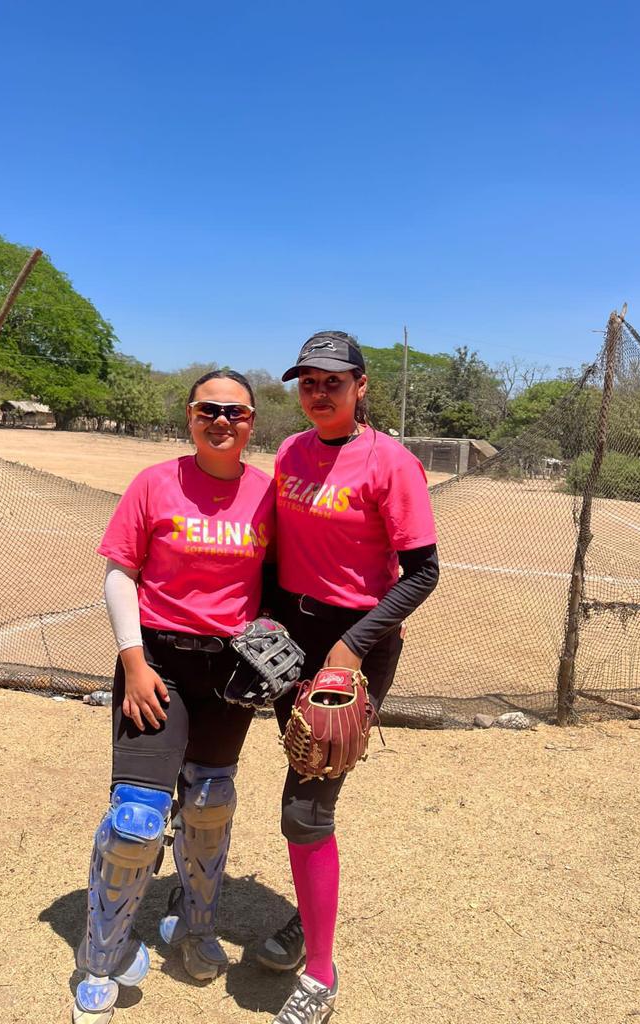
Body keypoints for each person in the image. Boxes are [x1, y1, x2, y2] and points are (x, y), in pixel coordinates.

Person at [73, 370, 274, 1024]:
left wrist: (287, 659)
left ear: (252, 421)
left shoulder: (270, 494)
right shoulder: (154, 483)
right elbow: (119, 572)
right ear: (190, 416)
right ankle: (99, 960)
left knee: (211, 801)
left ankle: (195, 921)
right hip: (155, 662)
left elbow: (288, 583)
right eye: (208, 410)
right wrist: (133, 660)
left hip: (229, 673)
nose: (222, 421)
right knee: (135, 823)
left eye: (235, 412)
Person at [257, 332, 440, 1024]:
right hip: (291, 636)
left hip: (354, 646)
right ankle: (308, 916)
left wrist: (351, 647)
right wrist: (265, 621)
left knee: (306, 809)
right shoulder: (290, 452)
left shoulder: (390, 463)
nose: (319, 391)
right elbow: (279, 546)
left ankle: (321, 975)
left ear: (361, 386)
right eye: (307, 381)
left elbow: (423, 571)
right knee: (300, 778)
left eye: (333, 380)